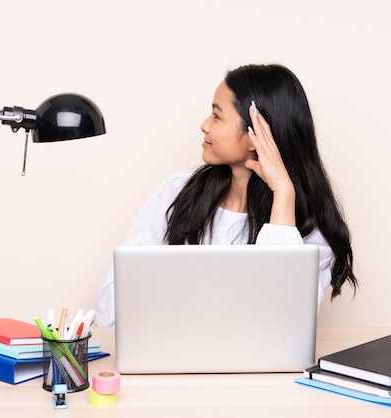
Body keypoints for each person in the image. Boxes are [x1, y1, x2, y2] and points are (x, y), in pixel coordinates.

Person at [95, 63, 357, 327]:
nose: (204, 125)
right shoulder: (177, 190)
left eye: (217, 116)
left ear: (258, 132)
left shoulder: (309, 228)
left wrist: (283, 192)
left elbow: (280, 324)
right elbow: (110, 310)